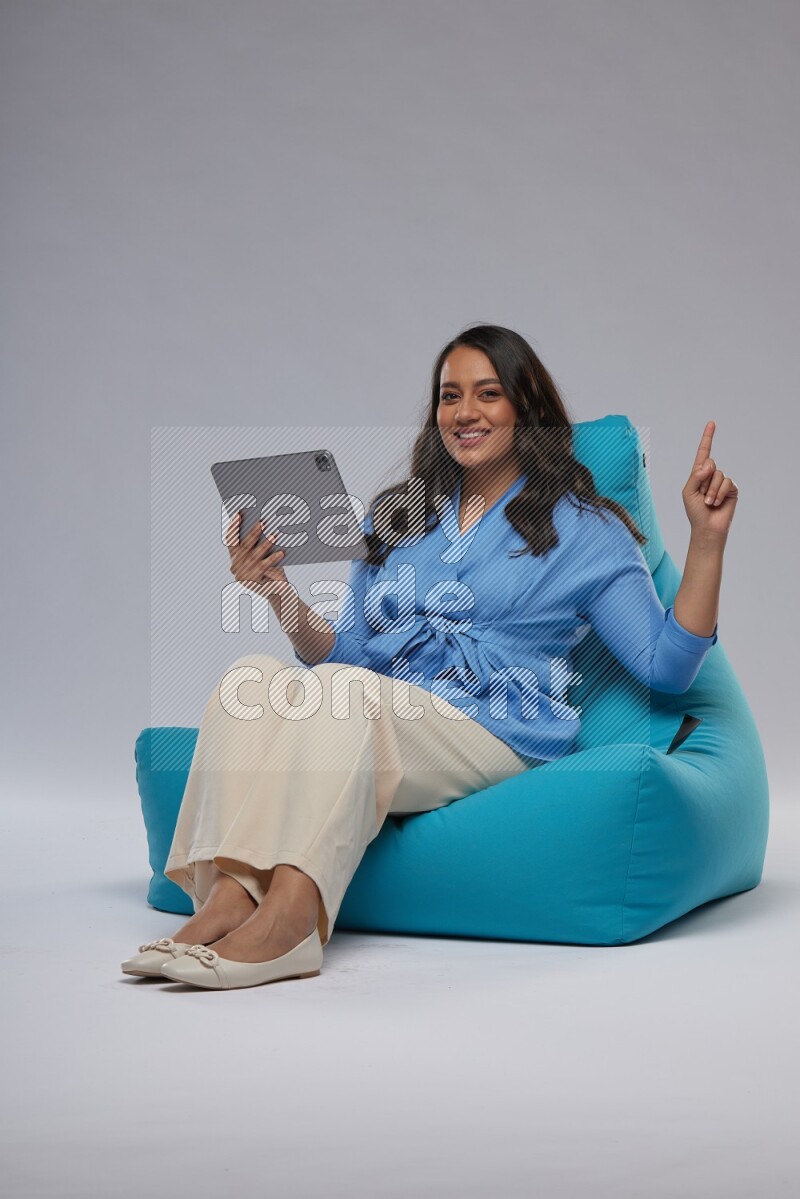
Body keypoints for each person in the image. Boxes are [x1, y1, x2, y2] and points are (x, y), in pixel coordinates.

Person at [121, 324, 738, 990]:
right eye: (449, 396)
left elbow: (667, 665)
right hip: (383, 714)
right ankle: (222, 901)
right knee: (251, 677)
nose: (463, 413)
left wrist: (706, 542)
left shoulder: (586, 527)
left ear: (525, 407)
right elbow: (349, 652)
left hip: (498, 730)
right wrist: (278, 593)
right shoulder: (398, 518)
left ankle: (290, 923)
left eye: (486, 394)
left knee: (343, 695)